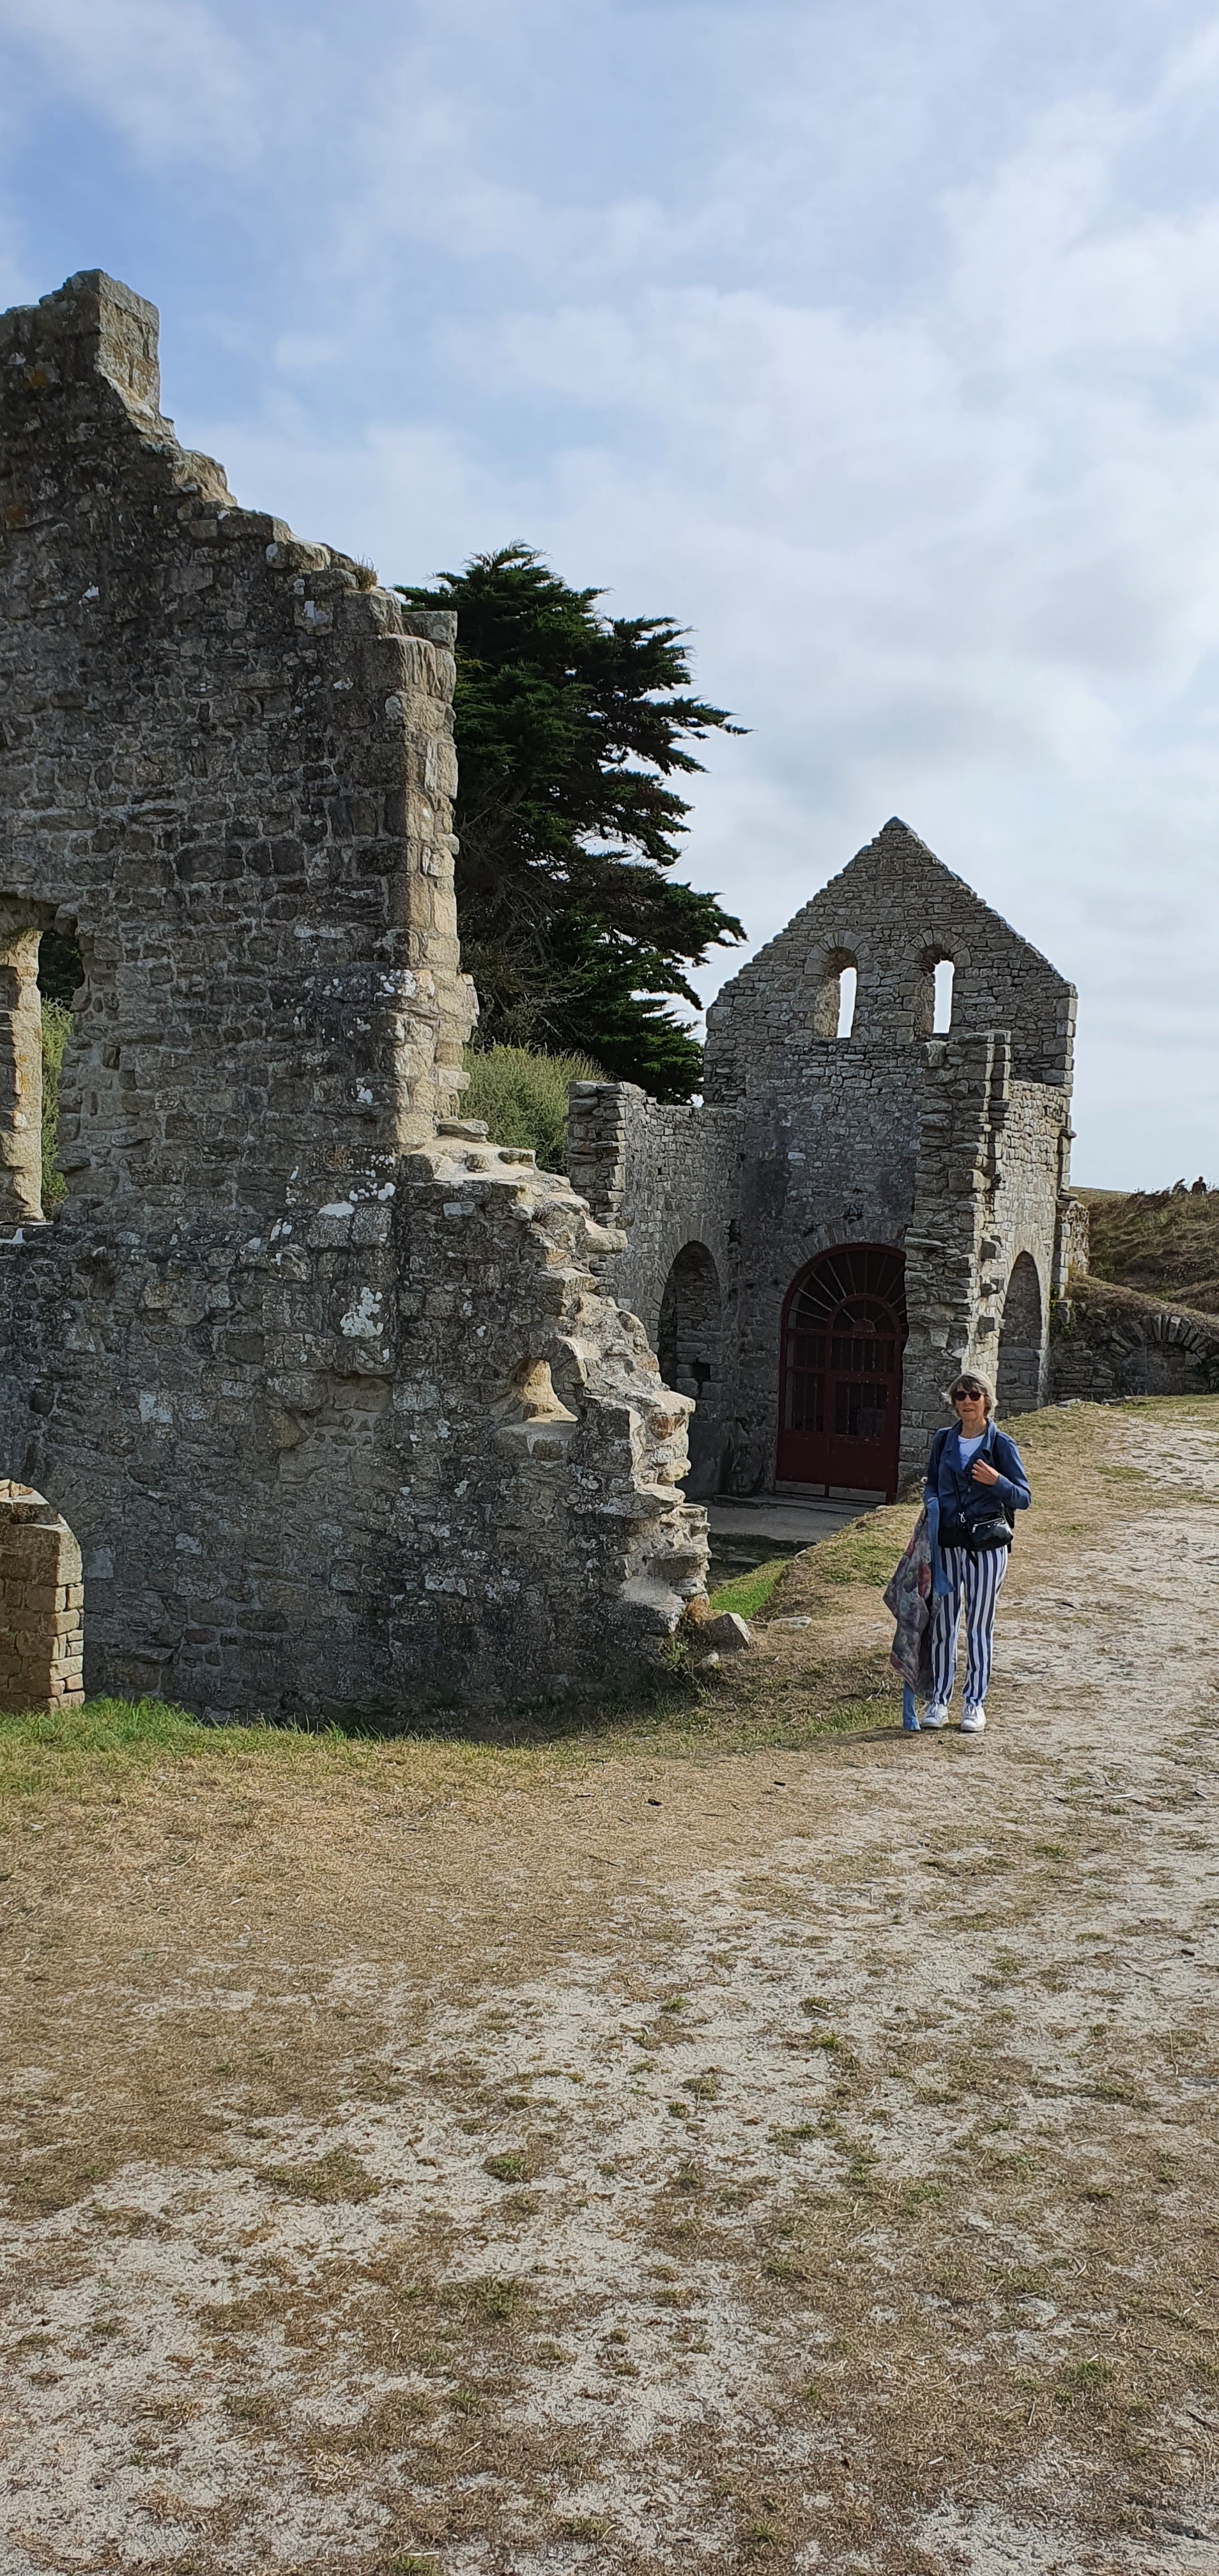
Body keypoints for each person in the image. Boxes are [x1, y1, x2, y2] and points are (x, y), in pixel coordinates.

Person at [919, 1371, 1031, 1735]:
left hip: (987, 1546)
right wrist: (933, 1505)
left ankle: (974, 1703)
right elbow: (932, 1483)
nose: (967, 1402)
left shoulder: (1001, 1444)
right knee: (944, 1624)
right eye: (960, 1396)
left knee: (979, 1625)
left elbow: (1023, 1497)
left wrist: (996, 1481)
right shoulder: (943, 1440)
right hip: (949, 1543)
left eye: (974, 1395)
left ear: (987, 1400)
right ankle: (938, 1701)